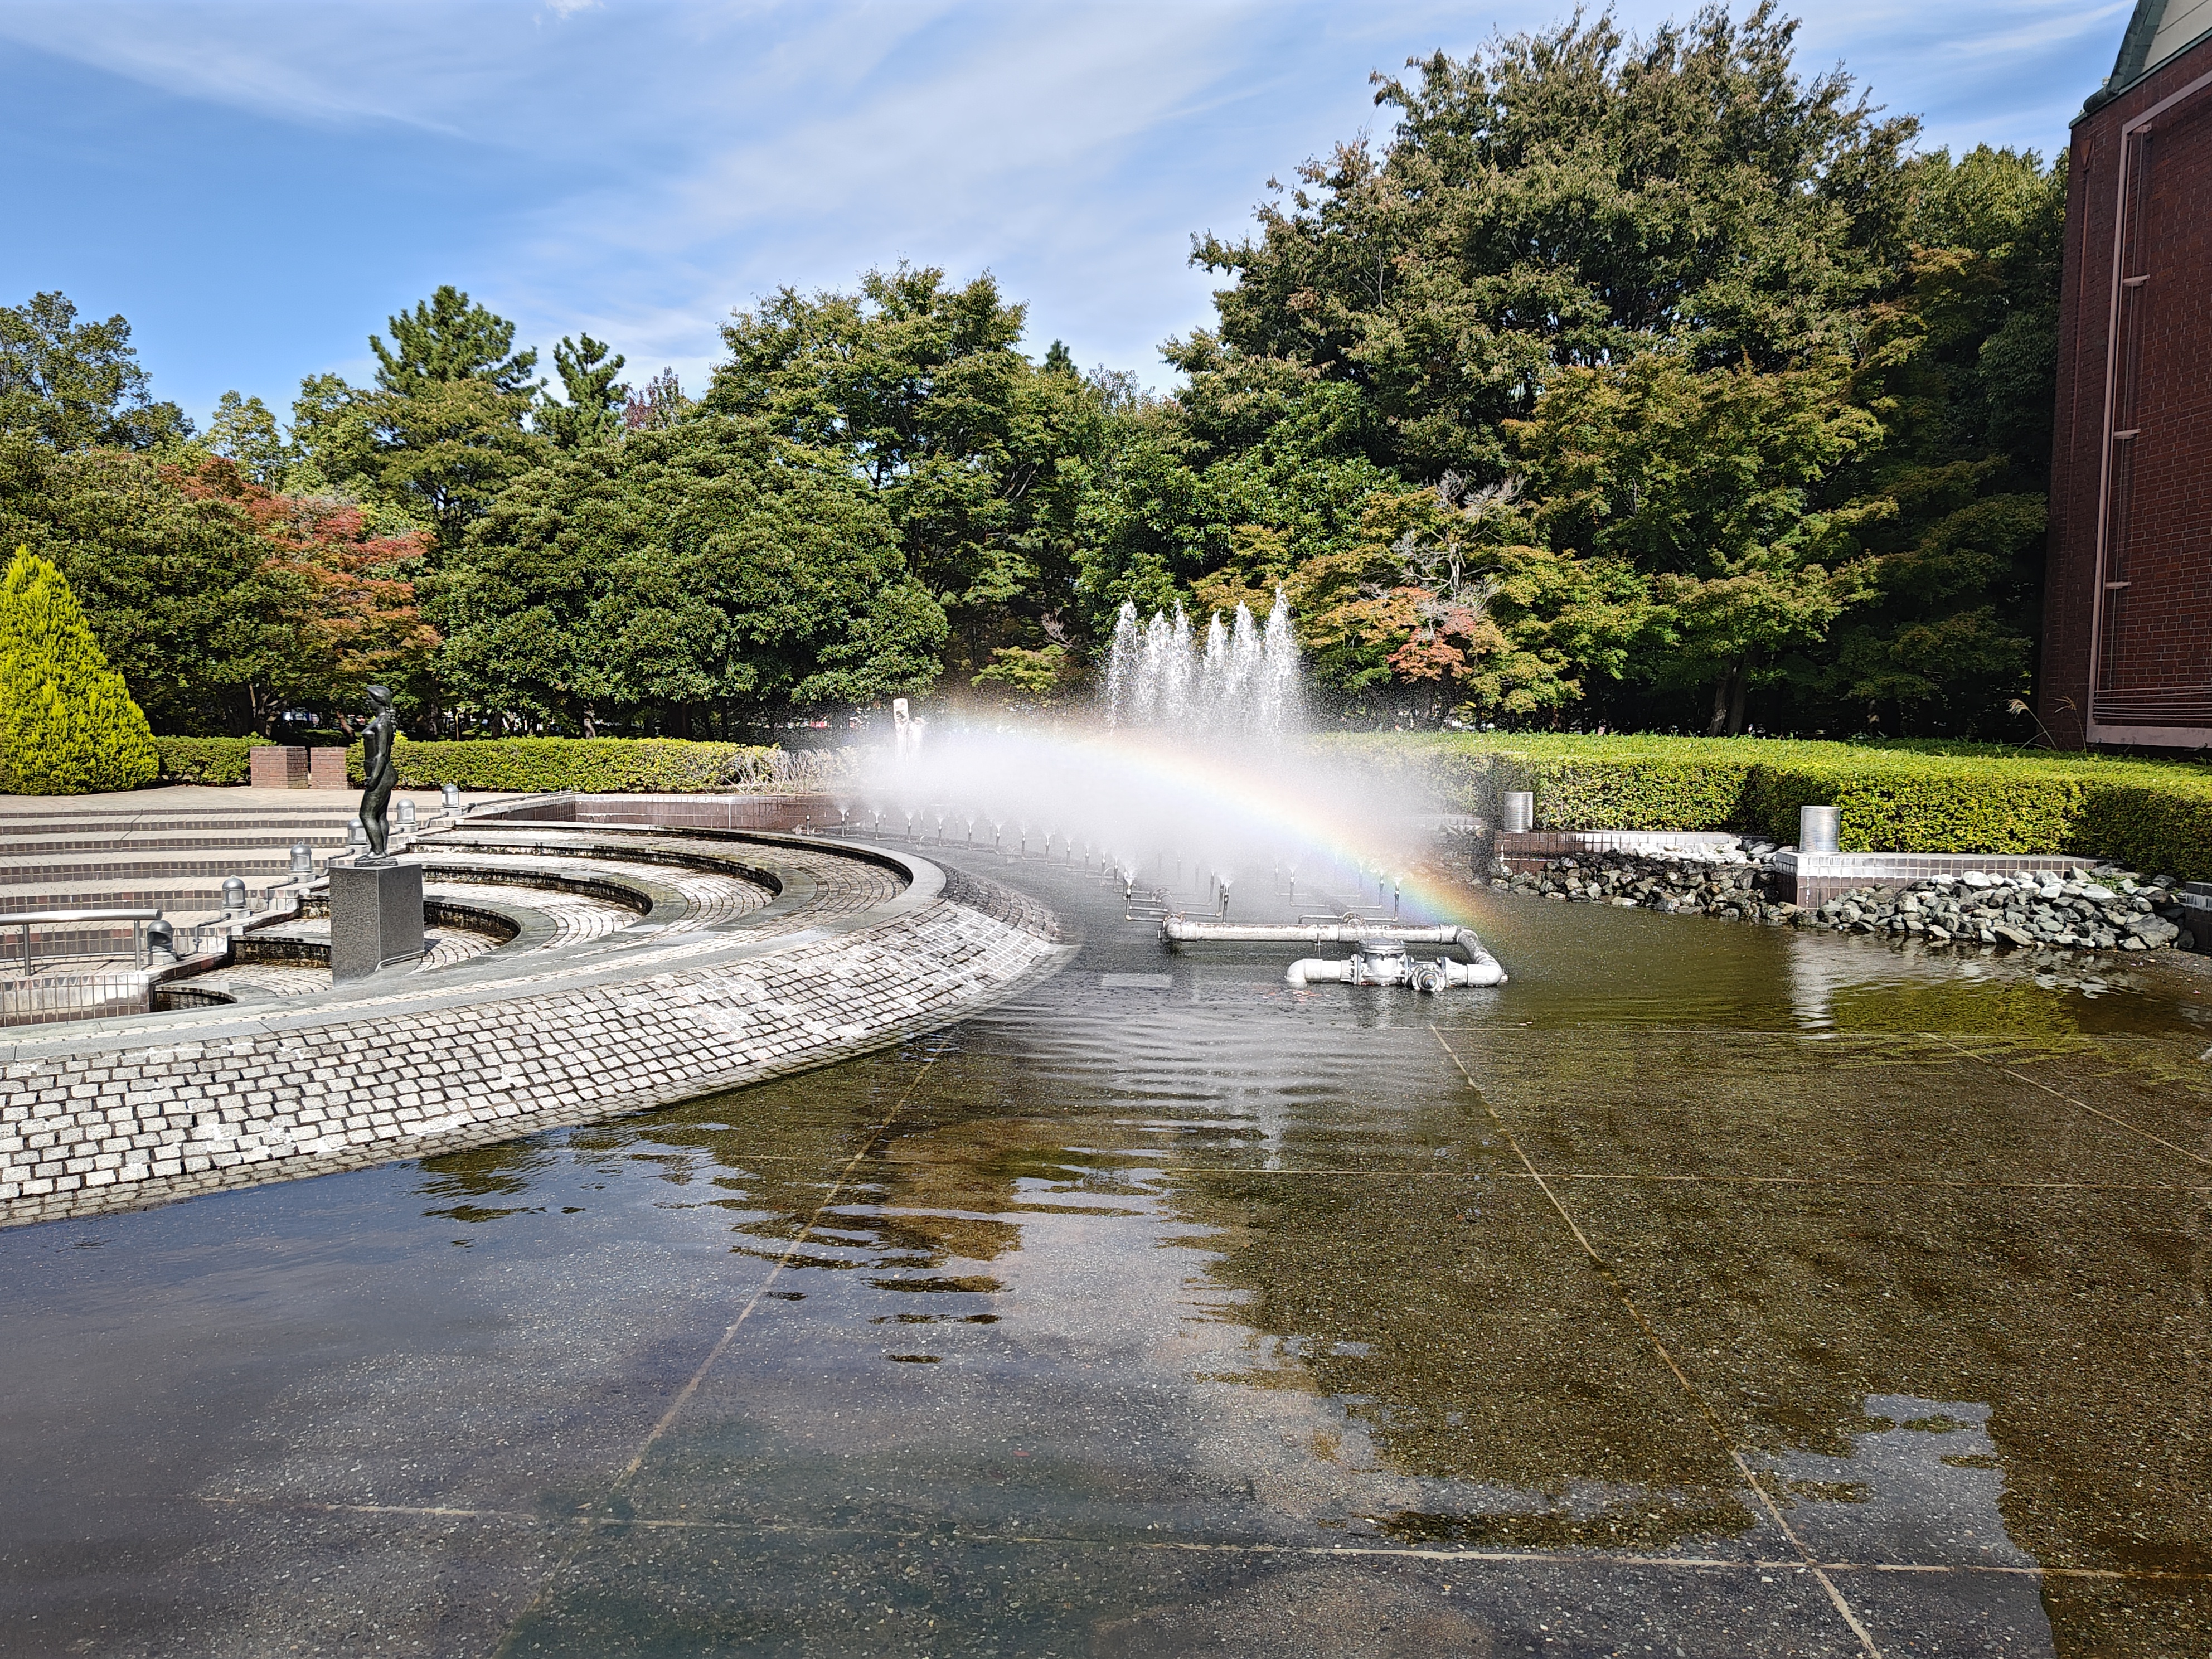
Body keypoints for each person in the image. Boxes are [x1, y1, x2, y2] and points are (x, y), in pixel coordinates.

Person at [358, 684, 399, 861]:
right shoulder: (381, 721)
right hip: (383, 773)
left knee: (366, 814)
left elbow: (381, 754)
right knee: (380, 814)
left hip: (381, 773)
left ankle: (377, 851)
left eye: (370, 699)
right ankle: (381, 851)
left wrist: (373, 778)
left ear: (379, 701)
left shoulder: (382, 723)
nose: (367, 702)